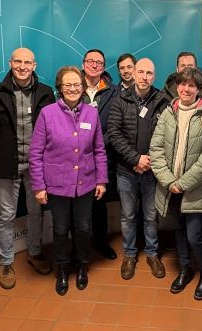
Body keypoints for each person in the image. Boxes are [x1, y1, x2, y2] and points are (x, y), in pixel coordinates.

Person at [30, 66, 108, 296]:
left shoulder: (91, 113)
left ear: (83, 88)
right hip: (57, 184)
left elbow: (99, 150)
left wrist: (101, 180)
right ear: (60, 89)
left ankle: (82, 266)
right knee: (61, 229)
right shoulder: (47, 113)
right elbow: (35, 153)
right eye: (68, 85)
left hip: (85, 183)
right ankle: (63, 269)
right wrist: (39, 186)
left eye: (76, 85)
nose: (73, 89)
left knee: (83, 228)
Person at [0, 48, 55, 289]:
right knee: (6, 215)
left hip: (37, 165)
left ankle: (34, 253)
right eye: (18, 62)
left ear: (34, 65)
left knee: (36, 211)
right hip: (6, 164)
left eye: (27, 62)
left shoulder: (45, 93)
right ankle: (5, 262)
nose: (22, 66)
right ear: (10, 63)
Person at [150, 67, 202, 300]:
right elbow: (156, 148)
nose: (186, 89)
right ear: (176, 87)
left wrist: (184, 183)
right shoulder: (169, 112)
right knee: (179, 231)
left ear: (199, 89)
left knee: (194, 236)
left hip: (195, 188)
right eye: (182, 84)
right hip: (171, 187)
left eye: (191, 85)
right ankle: (184, 270)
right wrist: (170, 182)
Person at [108, 58, 169, 280]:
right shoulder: (120, 99)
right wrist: (135, 158)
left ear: (154, 76)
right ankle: (130, 255)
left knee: (151, 216)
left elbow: (167, 135)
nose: (144, 77)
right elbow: (114, 132)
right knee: (127, 215)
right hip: (126, 170)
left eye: (149, 73)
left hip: (152, 170)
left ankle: (152, 254)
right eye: (140, 72)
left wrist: (151, 160)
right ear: (133, 74)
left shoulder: (162, 100)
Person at [81, 49, 119, 260]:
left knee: (99, 201)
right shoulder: (73, 88)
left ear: (103, 67)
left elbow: (115, 126)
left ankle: (101, 242)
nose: (94, 65)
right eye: (90, 61)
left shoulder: (113, 92)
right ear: (84, 63)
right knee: (78, 203)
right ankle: (80, 245)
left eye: (99, 62)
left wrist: (96, 145)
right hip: (78, 157)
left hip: (103, 155)